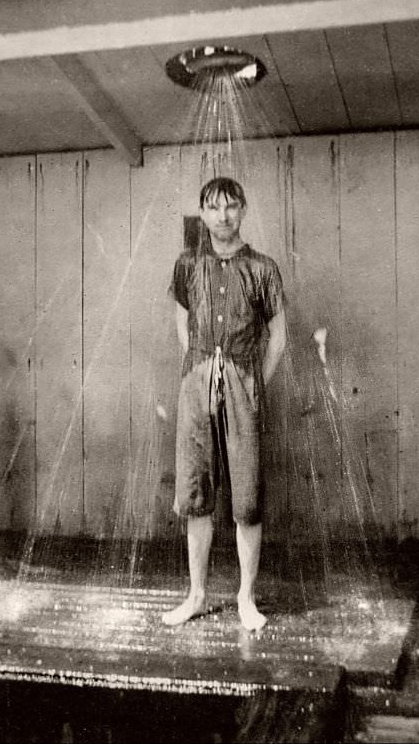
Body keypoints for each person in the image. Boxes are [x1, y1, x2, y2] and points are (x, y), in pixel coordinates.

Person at [163, 177, 286, 631]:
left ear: (244, 210)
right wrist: (199, 369)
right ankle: (195, 596)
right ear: (202, 212)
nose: (223, 217)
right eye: (213, 208)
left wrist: (249, 384)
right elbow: (182, 321)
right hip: (196, 380)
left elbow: (279, 338)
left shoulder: (263, 268)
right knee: (195, 493)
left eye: (232, 207)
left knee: (247, 498)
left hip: (241, 381)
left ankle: (246, 600)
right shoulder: (187, 265)